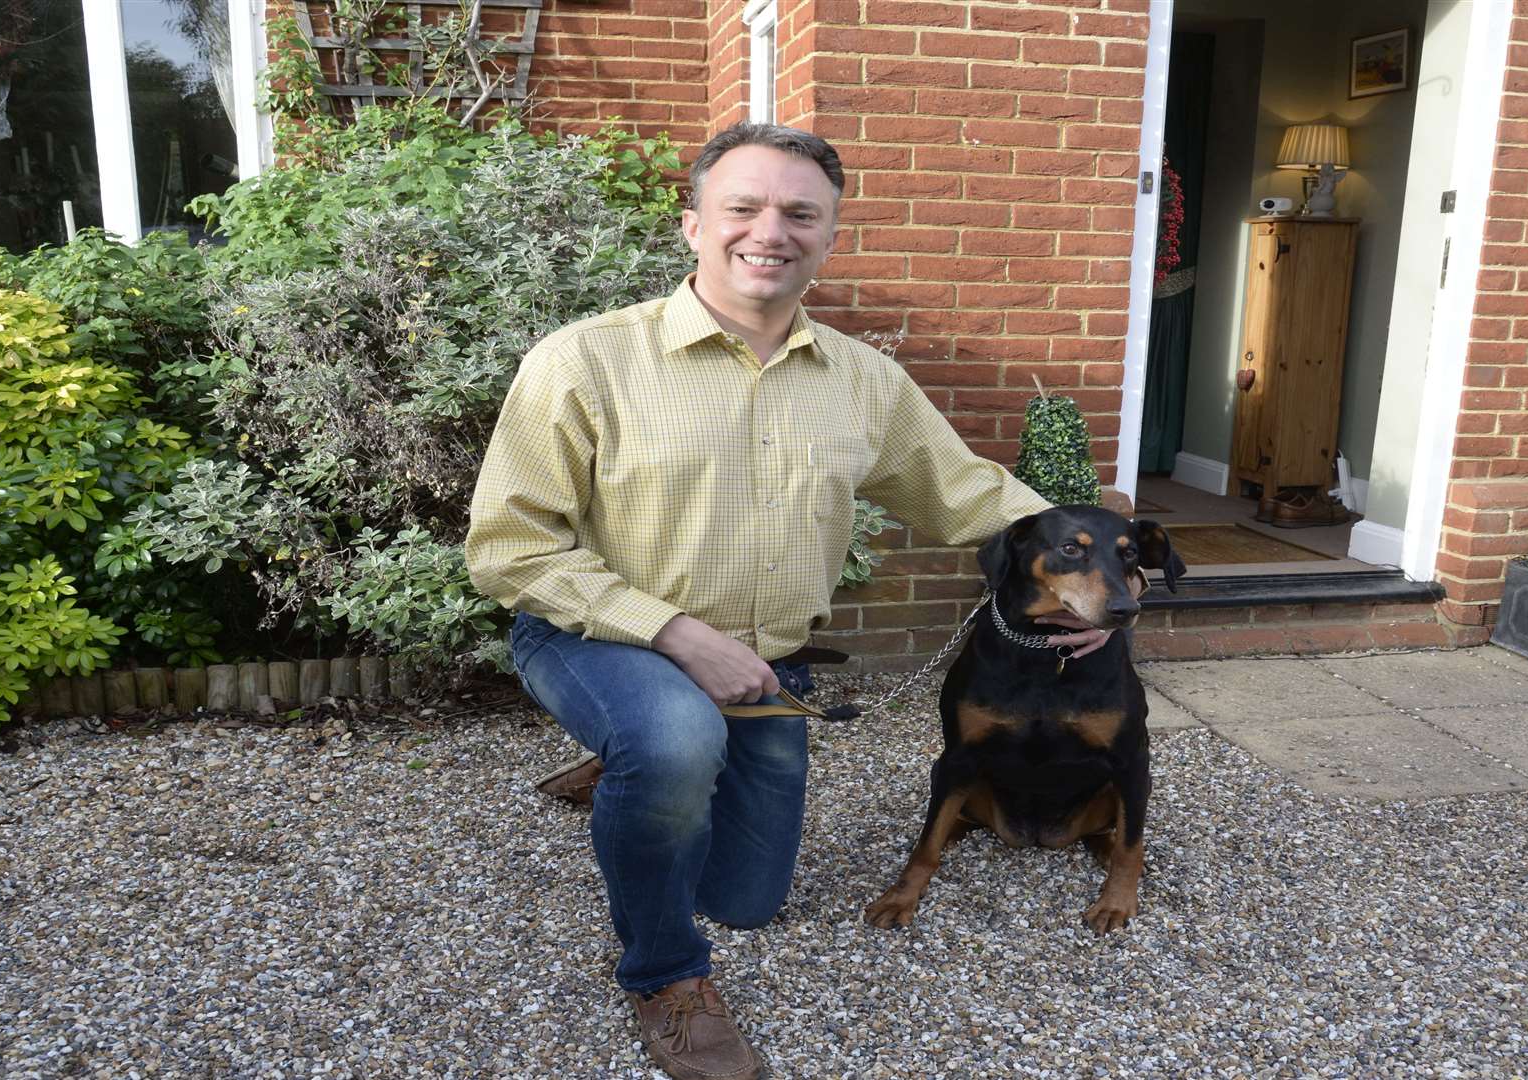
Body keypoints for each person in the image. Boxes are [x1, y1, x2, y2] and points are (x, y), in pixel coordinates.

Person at [464, 122, 1112, 1080]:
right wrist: (678, 636)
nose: (771, 230)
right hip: (595, 633)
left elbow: (964, 492)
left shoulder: (862, 384)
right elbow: (509, 550)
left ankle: (639, 758)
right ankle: (664, 976)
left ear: (830, 235)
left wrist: (1081, 572)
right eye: (744, 207)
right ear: (692, 225)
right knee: (675, 741)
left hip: (767, 665)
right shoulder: (584, 362)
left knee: (747, 899)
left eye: (800, 213)